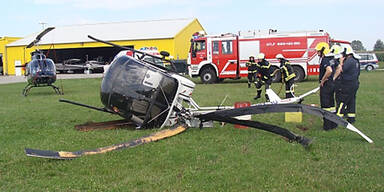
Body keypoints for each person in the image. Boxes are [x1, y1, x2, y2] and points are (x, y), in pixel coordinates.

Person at [333, 45, 360, 123]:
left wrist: (341, 62)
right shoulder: (355, 61)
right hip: (354, 84)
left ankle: (338, 119)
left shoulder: (349, 61)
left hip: (347, 85)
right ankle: (351, 118)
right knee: (351, 101)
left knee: (342, 101)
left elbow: (341, 69)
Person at [316, 42, 338, 130]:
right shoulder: (332, 58)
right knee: (332, 105)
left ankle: (327, 126)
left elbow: (329, 71)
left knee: (325, 106)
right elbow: (339, 68)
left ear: (323, 50)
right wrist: (333, 78)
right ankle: (334, 124)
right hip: (332, 84)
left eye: (318, 51)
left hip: (326, 86)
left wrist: (323, 80)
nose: (317, 53)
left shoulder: (325, 59)